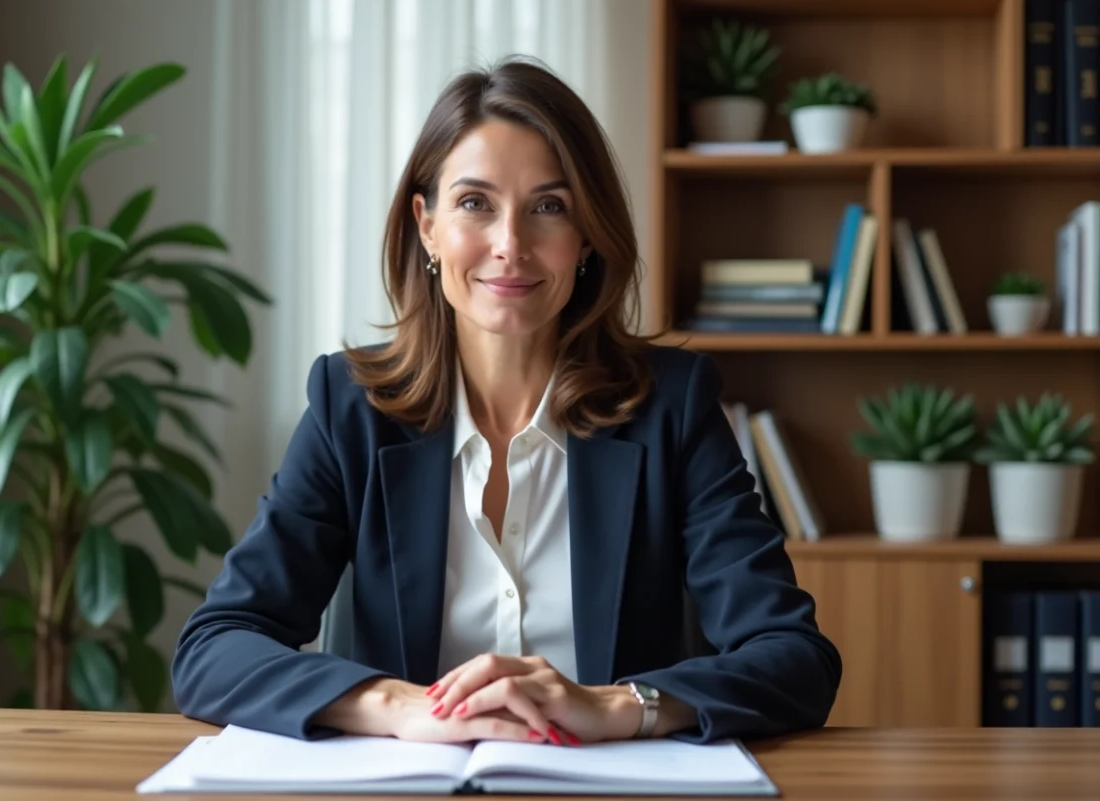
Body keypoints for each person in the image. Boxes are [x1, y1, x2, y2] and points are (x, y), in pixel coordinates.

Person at [170, 55, 841, 747]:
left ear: (586, 238)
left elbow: (794, 657)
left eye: (548, 207)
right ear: (426, 226)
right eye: (474, 203)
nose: (510, 244)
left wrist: (617, 705)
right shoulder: (351, 409)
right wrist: (399, 705)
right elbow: (214, 649)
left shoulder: (671, 404)